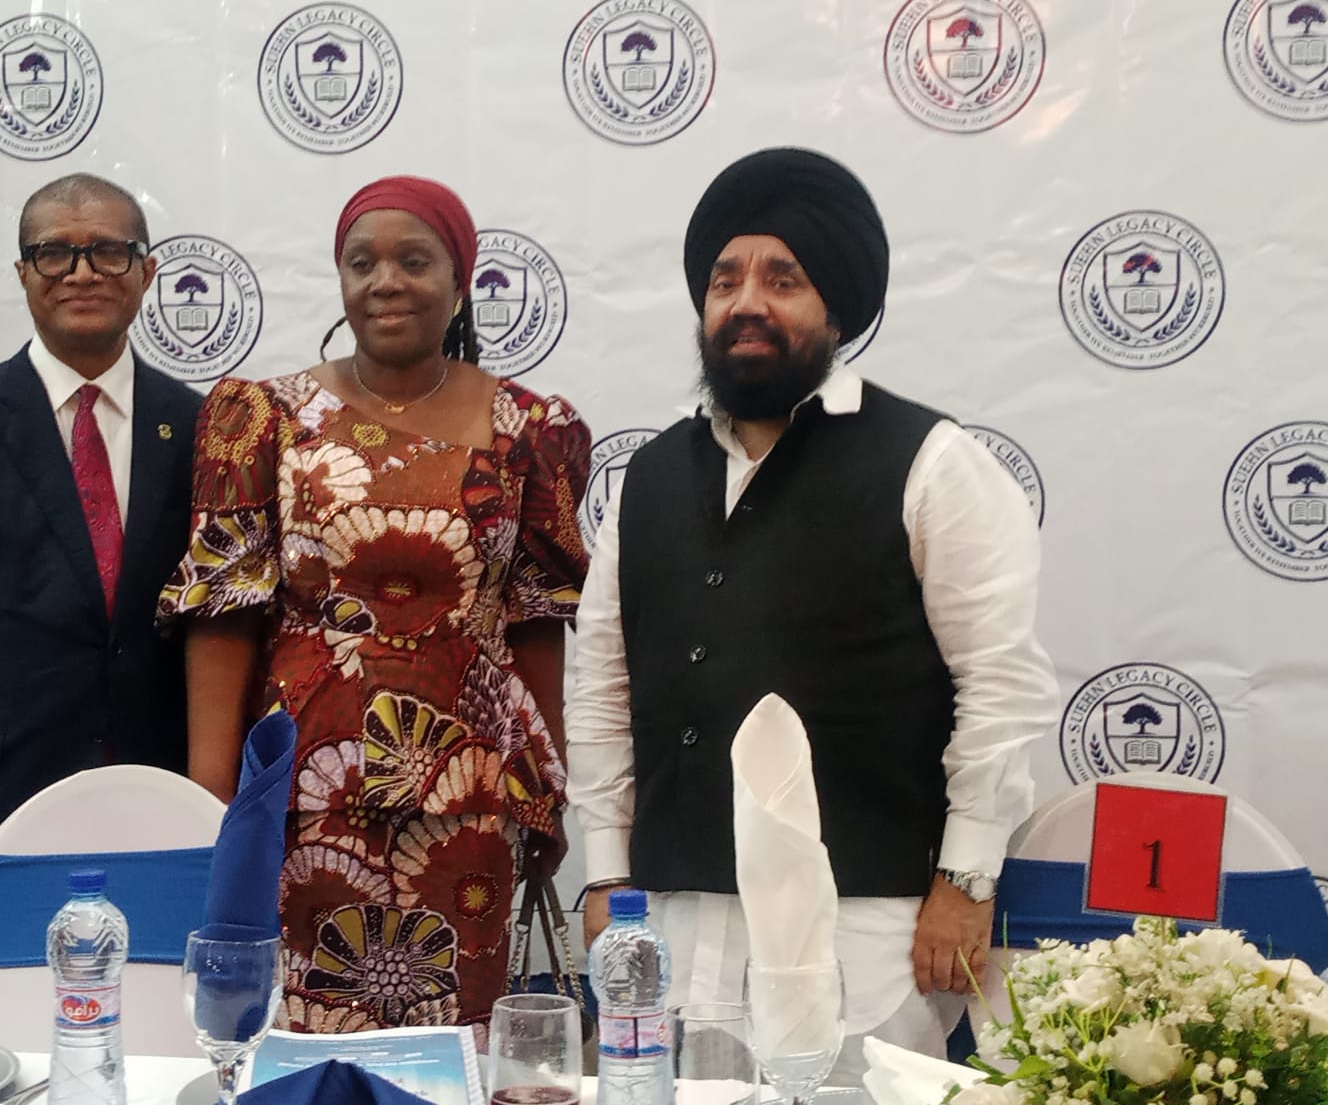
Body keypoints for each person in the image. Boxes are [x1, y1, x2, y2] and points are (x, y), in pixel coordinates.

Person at [565, 148, 1058, 1068]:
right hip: (672, 924)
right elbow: (602, 686)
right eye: (725, 280)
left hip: (861, 935)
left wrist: (966, 878)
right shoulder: (651, 475)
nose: (746, 301)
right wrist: (604, 872)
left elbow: (1000, 685)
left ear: (836, 310)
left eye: (782, 279)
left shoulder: (930, 461)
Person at [159, 175, 592, 1033]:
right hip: (304, 791)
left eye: (414, 261)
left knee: (454, 1039)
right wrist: (211, 801)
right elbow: (223, 612)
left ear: (460, 280)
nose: (386, 281)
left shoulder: (532, 428)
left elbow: (537, 623)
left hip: (468, 792)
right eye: (362, 263)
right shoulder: (263, 417)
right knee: (305, 1035)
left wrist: (550, 787)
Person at [0, 172, 199, 940]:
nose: (82, 272)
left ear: (147, 271)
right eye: (54, 253)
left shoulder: (200, 425)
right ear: (22, 273)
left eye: (109, 251)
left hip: (162, 809)